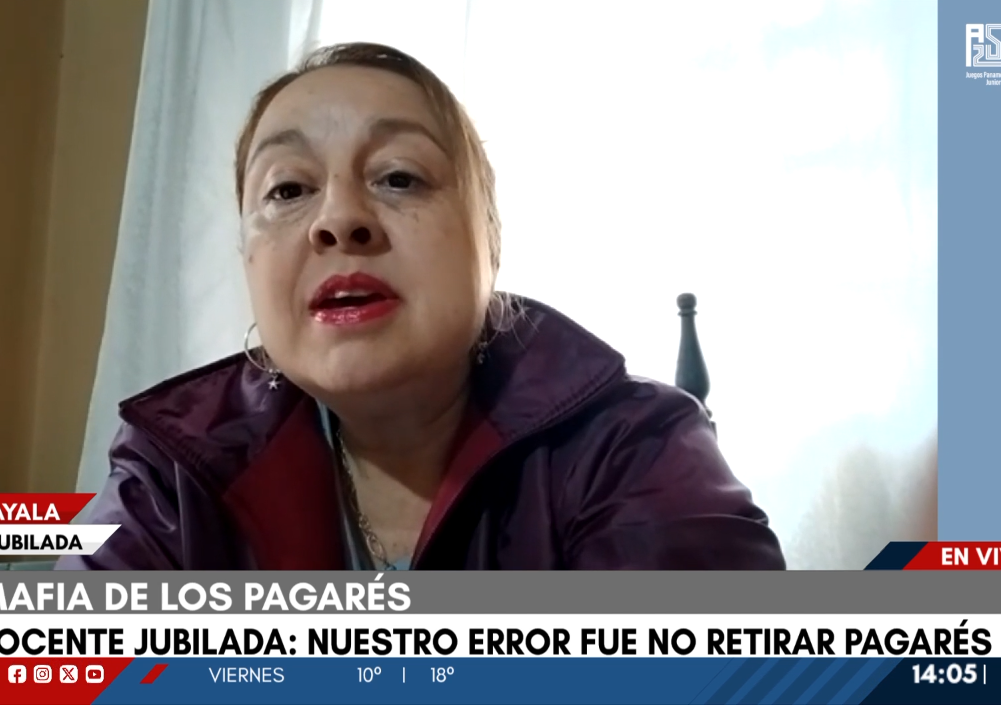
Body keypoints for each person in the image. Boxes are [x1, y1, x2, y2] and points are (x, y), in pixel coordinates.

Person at [57, 42, 785, 571]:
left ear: (488, 239)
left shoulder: (633, 447)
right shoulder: (174, 472)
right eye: (287, 189)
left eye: (399, 177)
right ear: (247, 258)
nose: (338, 219)